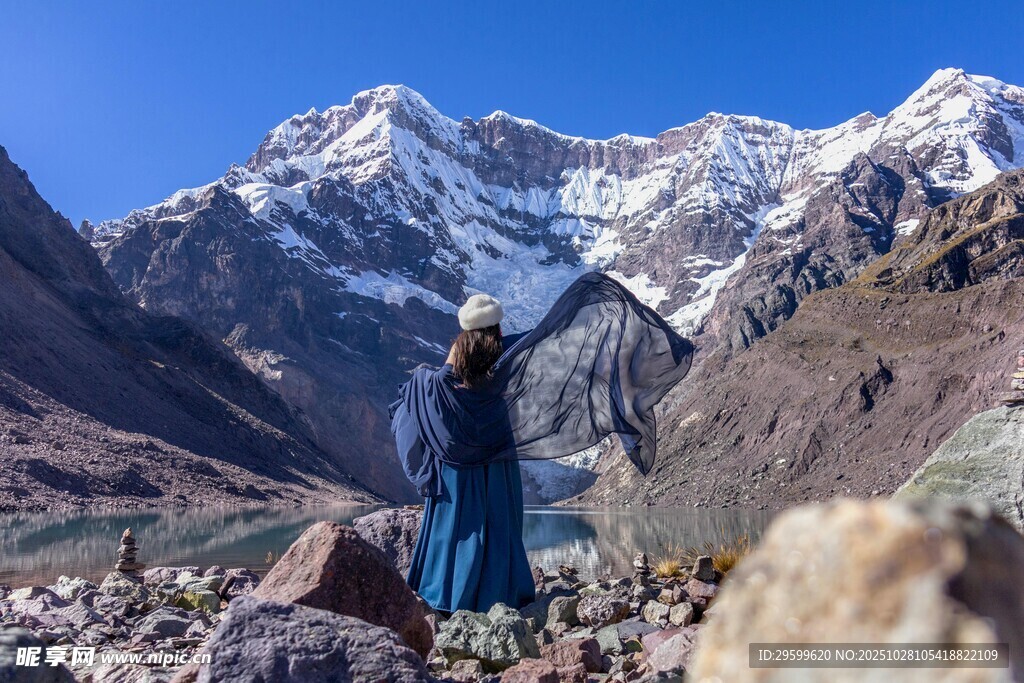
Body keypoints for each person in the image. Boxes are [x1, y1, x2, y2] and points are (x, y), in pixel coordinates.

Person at [390, 272, 694, 613]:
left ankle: (444, 595)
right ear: (497, 329)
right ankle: (498, 595)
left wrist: (436, 365)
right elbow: (553, 342)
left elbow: (430, 390)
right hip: (495, 460)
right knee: (496, 526)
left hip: (455, 469)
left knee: (455, 527)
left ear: (464, 332)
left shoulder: (448, 367)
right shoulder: (506, 358)